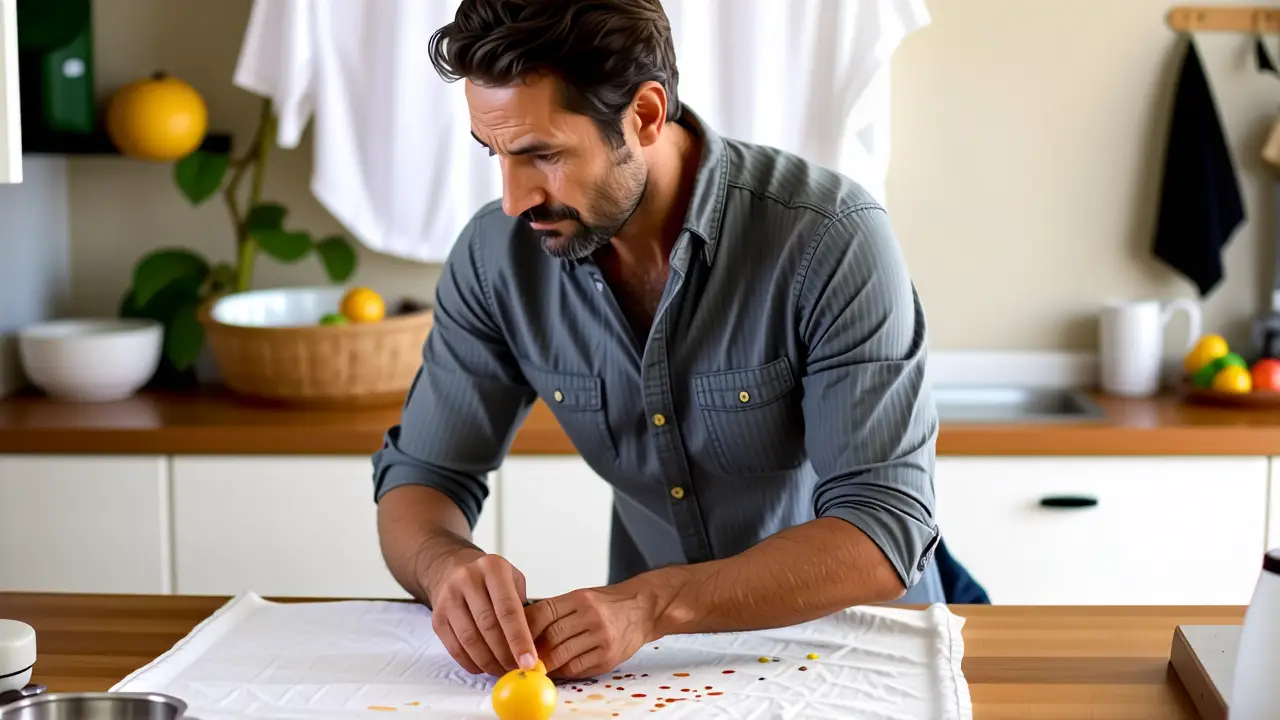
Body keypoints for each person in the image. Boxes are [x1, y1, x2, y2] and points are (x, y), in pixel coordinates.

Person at [371, 0, 943, 682]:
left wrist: (651, 604)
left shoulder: (829, 238)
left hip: (851, 655)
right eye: (494, 153)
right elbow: (422, 478)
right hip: (652, 671)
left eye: (542, 155)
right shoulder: (496, 258)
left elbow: (883, 528)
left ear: (643, 115)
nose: (513, 199)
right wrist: (446, 567)